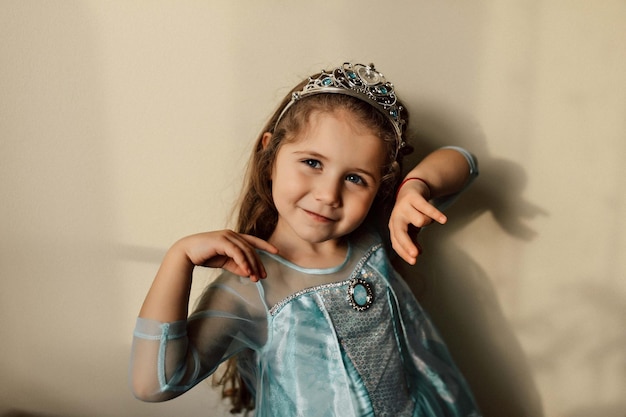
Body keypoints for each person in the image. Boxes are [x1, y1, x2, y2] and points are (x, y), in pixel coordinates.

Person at [130, 62, 481, 417]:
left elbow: (464, 162)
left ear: (379, 187)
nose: (329, 194)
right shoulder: (250, 286)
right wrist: (179, 259)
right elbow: (154, 384)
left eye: (356, 179)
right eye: (312, 162)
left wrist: (415, 187)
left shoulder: (380, 229)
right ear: (270, 157)